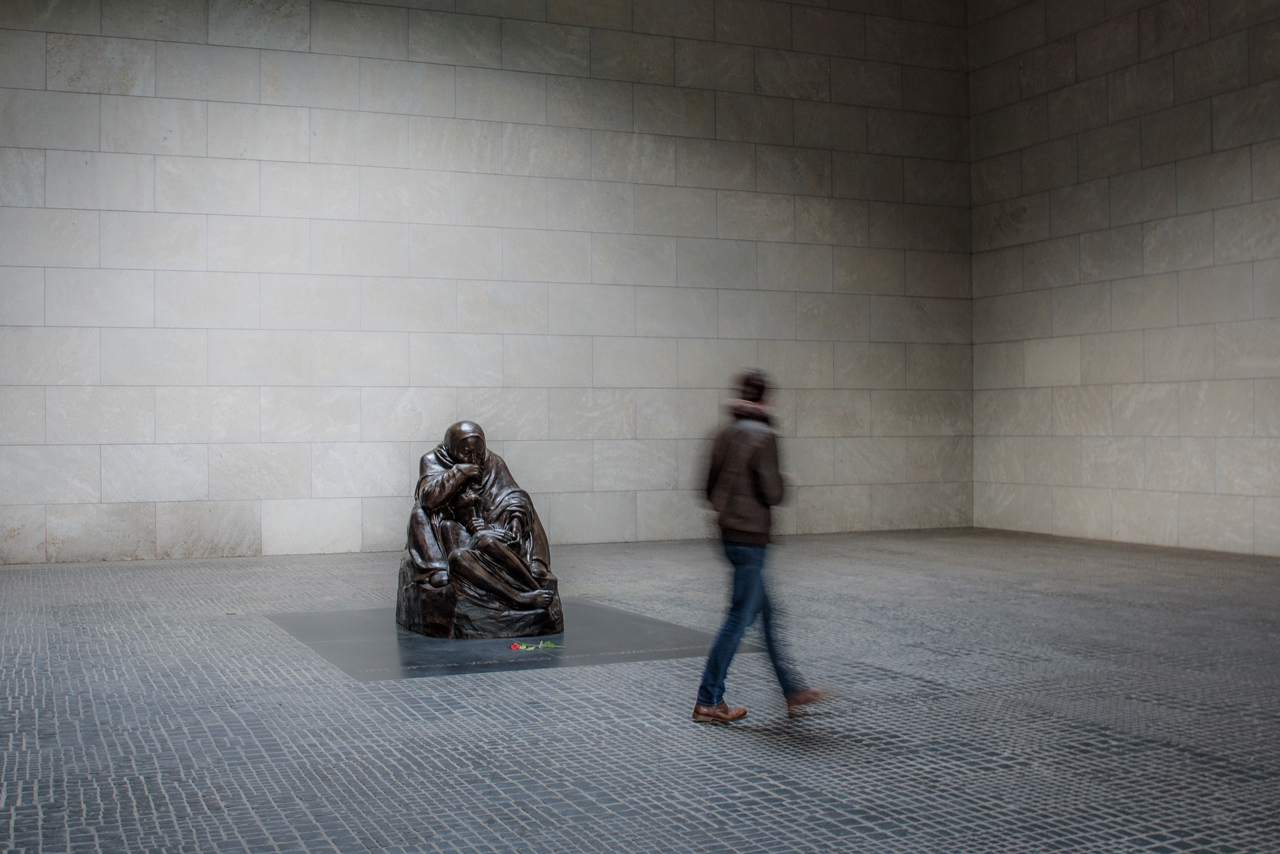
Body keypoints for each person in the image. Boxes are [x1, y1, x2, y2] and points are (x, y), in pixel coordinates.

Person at [693, 370, 823, 723]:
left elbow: (705, 488)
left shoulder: (721, 434)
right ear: (765, 399)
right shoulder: (764, 436)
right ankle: (708, 700)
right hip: (751, 540)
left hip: (728, 536)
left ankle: (792, 690)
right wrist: (783, 480)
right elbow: (774, 494)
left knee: (766, 613)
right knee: (738, 617)